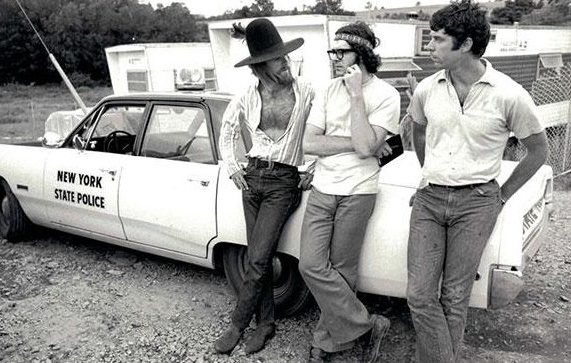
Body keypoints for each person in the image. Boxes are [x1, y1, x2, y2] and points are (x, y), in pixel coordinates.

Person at [406, 1, 548, 362]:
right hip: (430, 199)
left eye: (438, 40)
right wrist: (427, 174)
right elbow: (418, 133)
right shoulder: (426, 89)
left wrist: (501, 195)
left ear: (466, 44)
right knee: (420, 295)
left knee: (454, 296)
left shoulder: (509, 93)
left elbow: (537, 151)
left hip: (478, 202)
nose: (430, 47)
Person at [299, 21, 400, 363]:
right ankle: (369, 324)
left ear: (363, 54)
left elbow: (364, 147)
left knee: (343, 270)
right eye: (333, 51)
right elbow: (310, 143)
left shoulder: (386, 95)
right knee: (310, 265)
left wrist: (357, 95)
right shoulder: (327, 90)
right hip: (323, 187)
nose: (334, 58)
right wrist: (365, 145)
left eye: (341, 52)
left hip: (359, 191)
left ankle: (326, 342)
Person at [215, 18, 315, 355]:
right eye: (278, 58)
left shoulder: (306, 92)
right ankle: (266, 323)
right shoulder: (246, 96)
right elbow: (226, 132)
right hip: (252, 179)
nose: (286, 62)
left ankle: (236, 324)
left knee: (256, 260)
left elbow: (322, 130)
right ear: (260, 65)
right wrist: (232, 168)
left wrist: (311, 167)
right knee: (262, 256)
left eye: (285, 57)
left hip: (283, 183)